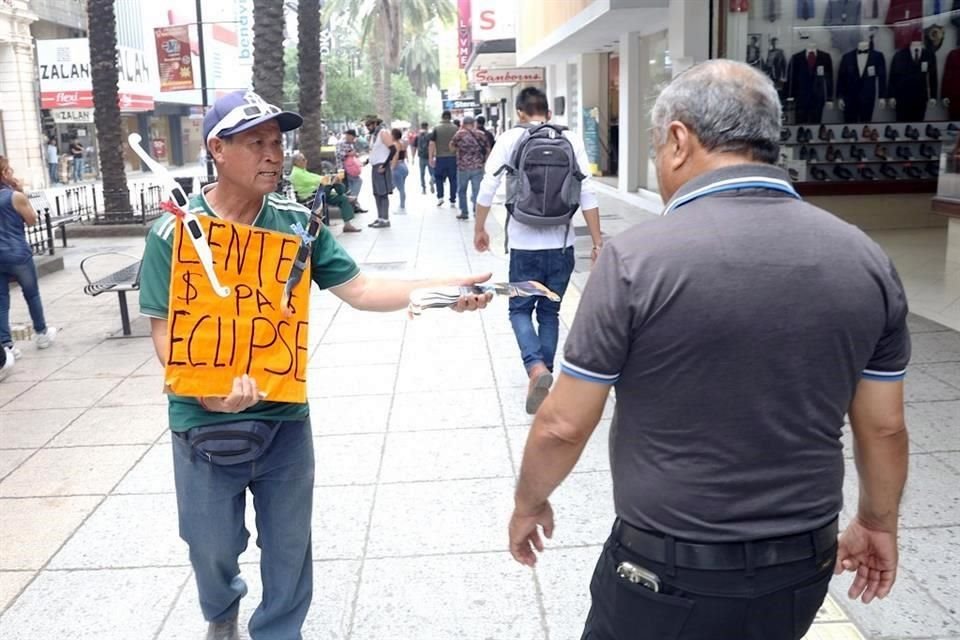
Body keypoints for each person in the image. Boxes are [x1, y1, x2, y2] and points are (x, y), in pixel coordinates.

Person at [506, 60, 911, 640]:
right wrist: (877, 521)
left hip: (665, 573)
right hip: (802, 564)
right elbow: (885, 428)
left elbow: (563, 425)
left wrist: (529, 502)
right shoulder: (865, 259)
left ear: (678, 140)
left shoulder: (636, 261)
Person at [138, 90, 492, 640]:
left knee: (288, 545)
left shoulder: (297, 226)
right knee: (209, 544)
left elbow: (364, 287)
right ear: (217, 149)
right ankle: (221, 607)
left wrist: (446, 286)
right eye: (256, 142)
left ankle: (279, 631)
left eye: (277, 142)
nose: (273, 155)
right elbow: (164, 330)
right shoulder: (175, 232)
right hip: (200, 421)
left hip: (283, 419)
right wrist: (209, 393)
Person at [474, 87, 602, 414]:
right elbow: (587, 191)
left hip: (523, 245)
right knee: (549, 312)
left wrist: (480, 228)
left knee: (519, 310)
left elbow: (487, 186)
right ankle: (543, 372)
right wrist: (598, 241)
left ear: (519, 112)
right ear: (547, 110)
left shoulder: (510, 139)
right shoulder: (570, 139)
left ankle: (535, 369)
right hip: (562, 244)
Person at [0, 156, 57, 359]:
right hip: (18, 253)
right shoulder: (14, 196)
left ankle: (6, 345)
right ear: (5, 173)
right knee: (31, 294)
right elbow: (32, 220)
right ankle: (41, 333)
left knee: (1, 300)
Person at [289, 152, 361, 233]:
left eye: (305, 159)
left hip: (317, 195)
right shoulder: (297, 173)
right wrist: (331, 179)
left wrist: (330, 178)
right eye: (303, 159)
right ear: (296, 162)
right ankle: (345, 193)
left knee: (342, 198)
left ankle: (347, 225)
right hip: (311, 198)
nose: (306, 161)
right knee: (332, 183)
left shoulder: (302, 171)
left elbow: (315, 177)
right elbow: (315, 180)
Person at [449, 115, 488, 220]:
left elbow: (451, 148)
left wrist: (459, 149)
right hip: (478, 167)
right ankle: (476, 212)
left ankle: (464, 212)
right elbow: (487, 149)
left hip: (463, 167)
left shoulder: (459, 135)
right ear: (474, 123)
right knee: (477, 191)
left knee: (462, 190)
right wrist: (485, 162)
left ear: (463, 124)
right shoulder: (481, 134)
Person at [364, 115, 395, 229]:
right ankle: (380, 217)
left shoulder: (383, 133)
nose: (368, 128)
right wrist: (367, 161)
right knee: (377, 193)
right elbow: (375, 151)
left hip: (381, 166)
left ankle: (385, 219)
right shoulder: (374, 136)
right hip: (375, 166)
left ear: (375, 124)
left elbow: (393, 149)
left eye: (369, 125)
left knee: (383, 194)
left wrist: (385, 165)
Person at [428, 111, 459, 209]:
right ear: (450, 117)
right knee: (453, 178)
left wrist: (431, 157)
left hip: (440, 157)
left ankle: (440, 197)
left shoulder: (436, 128)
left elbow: (432, 143)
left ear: (442, 117)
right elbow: (459, 144)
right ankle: (453, 199)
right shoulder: (456, 128)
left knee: (439, 178)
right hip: (452, 157)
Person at [337, 129, 368, 213]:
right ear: (348, 135)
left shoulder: (351, 144)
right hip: (343, 169)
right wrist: (348, 154)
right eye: (352, 137)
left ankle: (354, 204)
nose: (353, 139)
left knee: (350, 187)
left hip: (350, 169)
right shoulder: (341, 143)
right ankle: (352, 201)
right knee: (357, 182)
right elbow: (339, 154)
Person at [390, 128, 409, 215]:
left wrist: (392, 168)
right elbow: (404, 154)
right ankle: (402, 206)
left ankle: (402, 207)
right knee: (401, 187)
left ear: (393, 135)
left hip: (397, 166)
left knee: (400, 188)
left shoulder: (395, 144)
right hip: (403, 166)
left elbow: (395, 156)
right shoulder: (402, 143)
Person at [413, 121, 434, 195]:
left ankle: (424, 189)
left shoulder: (417, 136)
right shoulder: (430, 135)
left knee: (422, 174)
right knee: (432, 172)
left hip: (421, 157)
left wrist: (412, 157)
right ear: (427, 127)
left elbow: (414, 147)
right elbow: (432, 145)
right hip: (429, 156)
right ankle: (432, 180)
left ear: (421, 127)